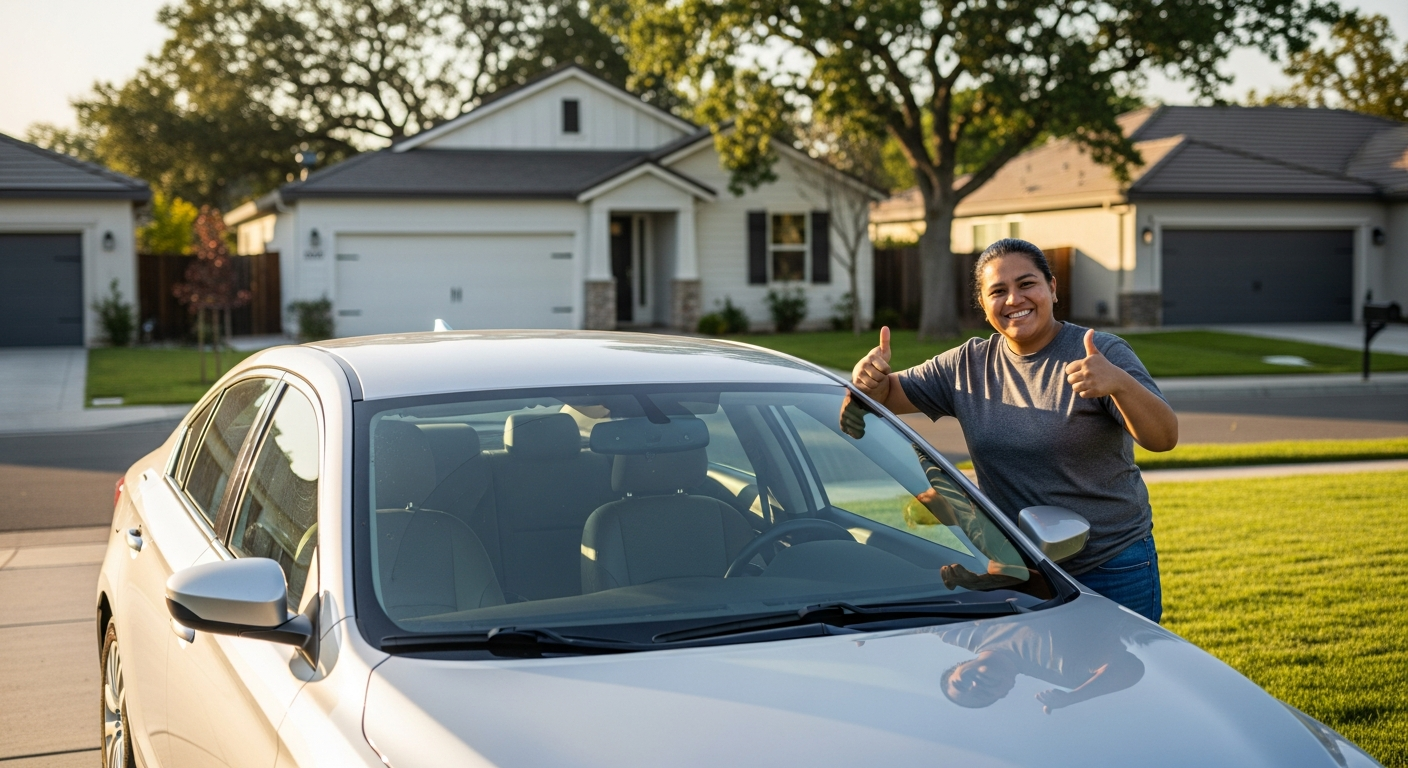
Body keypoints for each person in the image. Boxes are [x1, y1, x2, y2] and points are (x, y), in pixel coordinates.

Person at [849, 238, 1177, 622]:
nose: (1014, 300)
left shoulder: (1100, 353)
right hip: (1021, 570)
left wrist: (1119, 383)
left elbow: (1163, 438)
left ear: (1052, 288)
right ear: (984, 305)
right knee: (1034, 678)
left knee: (1119, 679)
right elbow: (885, 395)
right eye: (998, 291)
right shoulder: (967, 365)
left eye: (1027, 284)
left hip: (1111, 564)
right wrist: (867, 377)